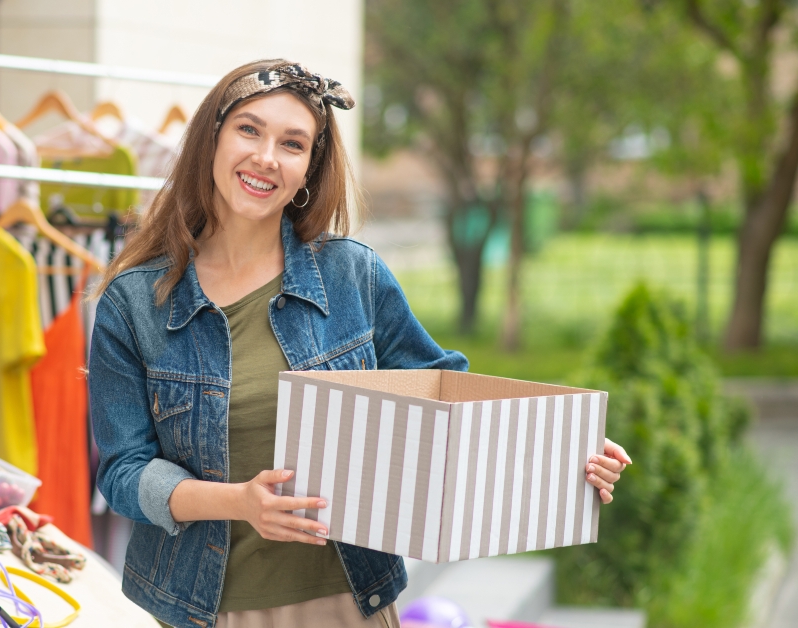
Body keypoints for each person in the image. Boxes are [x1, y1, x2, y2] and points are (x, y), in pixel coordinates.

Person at [87, 59, 631, 628]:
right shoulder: (135, 302)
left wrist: (568, 451)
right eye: (249, 129)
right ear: (212, 140)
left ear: (308, 171)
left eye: (292, 144)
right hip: (202, 611)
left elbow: (448, 394)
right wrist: (239, 502)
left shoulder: (352, 276)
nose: (266, 158)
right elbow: (125, 472)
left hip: (349, 604)